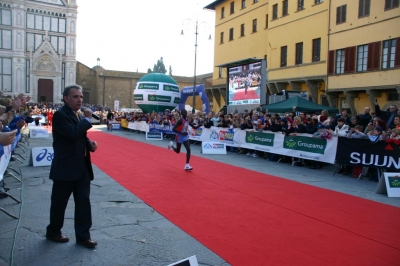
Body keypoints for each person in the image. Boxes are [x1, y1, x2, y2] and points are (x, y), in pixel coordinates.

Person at [46, 85, 98, 248]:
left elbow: (79, 136)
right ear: (66, 99)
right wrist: (88, 120)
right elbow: (71, 133)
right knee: (59, 203)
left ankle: (83, 236)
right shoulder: (60, 115)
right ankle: (53, 231)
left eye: (81, 97)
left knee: (83, 202)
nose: (80, 100)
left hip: (82, 167)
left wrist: (89, 144)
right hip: (65, 167)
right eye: (76, 97)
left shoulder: (78, 115)